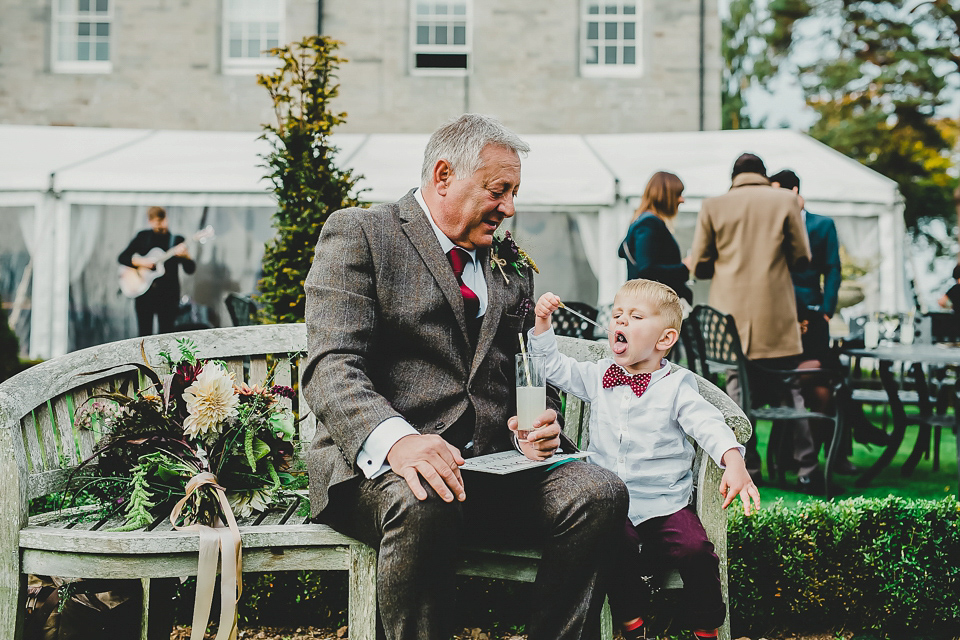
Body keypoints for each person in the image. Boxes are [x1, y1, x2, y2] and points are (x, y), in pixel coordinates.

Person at [301, 113, 628, 640]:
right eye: (499, 191)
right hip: (384, 473)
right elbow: (331, 365)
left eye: (515, 193)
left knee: (598, 493)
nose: (510, 208)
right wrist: (400, 442)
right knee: (425, 495)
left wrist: (535, 426)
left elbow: (521, 367)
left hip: (496, 469)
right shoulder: (362, 233)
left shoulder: (510, 263)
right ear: (444, 175)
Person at [530, 279, 760, 640]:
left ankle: (706, 626)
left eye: (635, 317)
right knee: (611, 548)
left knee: (696, 551)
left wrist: (733, 461)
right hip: (612, 505)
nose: (620, 322)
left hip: (665, 504)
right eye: (617, 315)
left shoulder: (677, 386)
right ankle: (632, 624)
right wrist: (543, 323)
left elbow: (708, 424)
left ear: (664, 340)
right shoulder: (600, 376)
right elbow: (551, 367)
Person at [687, 152, 812, 485]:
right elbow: (802, 258)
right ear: (763, 174)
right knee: (791, 388)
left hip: (729, 316)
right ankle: (807, 470)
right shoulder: (786, 200)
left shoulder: (713, 205)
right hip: (776, 313)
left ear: (733, 177)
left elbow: (699, 265)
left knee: (736, 391)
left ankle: (747, 468)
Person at [769, 169, 858, 487]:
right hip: (778, 319)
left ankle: (812, 454)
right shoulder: (770, 225)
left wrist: (826, 311)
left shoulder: (822, 224)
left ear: (795, 191)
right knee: (812, 383)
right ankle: (799, 456)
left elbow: (833, 268)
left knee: (822, 387)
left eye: (779, 191)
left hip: (814, 318)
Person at [117, 206, 195, 336]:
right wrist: (142, 263)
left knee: (166, 336)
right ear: (150, 221)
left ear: (166, 219)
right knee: (144, 334)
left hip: (168, 296)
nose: (160, 225)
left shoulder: (176, 241)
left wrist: (186, 256)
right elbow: (122, 257)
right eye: (156, 222)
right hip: (144, 295)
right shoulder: (143, 237)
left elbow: (190, 269)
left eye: (162, 220)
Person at [618, 171, 693, 305]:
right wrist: (684, 268)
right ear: (664, 196)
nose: (682, 200)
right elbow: (647, 270)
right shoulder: (649, 224)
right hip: (654, 306)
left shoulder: (642, 221)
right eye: (678, 194)